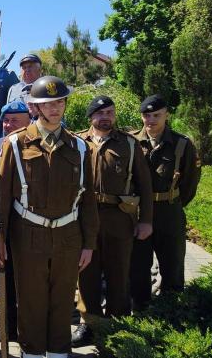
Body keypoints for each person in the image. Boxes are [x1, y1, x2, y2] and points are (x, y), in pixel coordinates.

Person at [0, 76, 99, 358]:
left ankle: (58, 353)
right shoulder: (15, 144)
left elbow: (88, 199)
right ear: (36, 107)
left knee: (63, 301)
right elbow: (1, 197)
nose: (55, 108)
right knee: (31, 301)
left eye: (60, 102)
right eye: (48, 103)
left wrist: (89, 243)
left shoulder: (80, 147)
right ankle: (33, 353)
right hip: (29, 234)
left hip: (68, 235)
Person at [71, 95, 153, 345]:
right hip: (85, 218)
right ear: (91, 117)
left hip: (119, 218)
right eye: (100, 112)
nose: (105, 117)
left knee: (119, 272)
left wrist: (146, 220)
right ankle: (90, 323)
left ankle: (118, 324)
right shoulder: (77, 143)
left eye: (110, 112)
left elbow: (145, 186)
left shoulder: (129, 144)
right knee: (87, 272)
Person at [129, 94, 200, 311]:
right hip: (139, 212)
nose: (150, 120)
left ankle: (172, 310)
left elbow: (189, 183)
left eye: (156, 115)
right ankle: (141, 309)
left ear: (166, 114)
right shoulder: (131, 141)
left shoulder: (182, 144)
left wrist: (173, 202)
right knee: (138, 265)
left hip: (169, 211)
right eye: (146, 115)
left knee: (173, 263)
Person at [0, 98, 31, 345]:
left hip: (28, 223)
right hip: (2, 223)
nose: (8, 124)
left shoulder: (33, 145)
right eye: (5, 120)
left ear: (28, 121)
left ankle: (27, 329)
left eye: (15, 120)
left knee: (27, 281)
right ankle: (8, 327)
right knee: (4, 278)